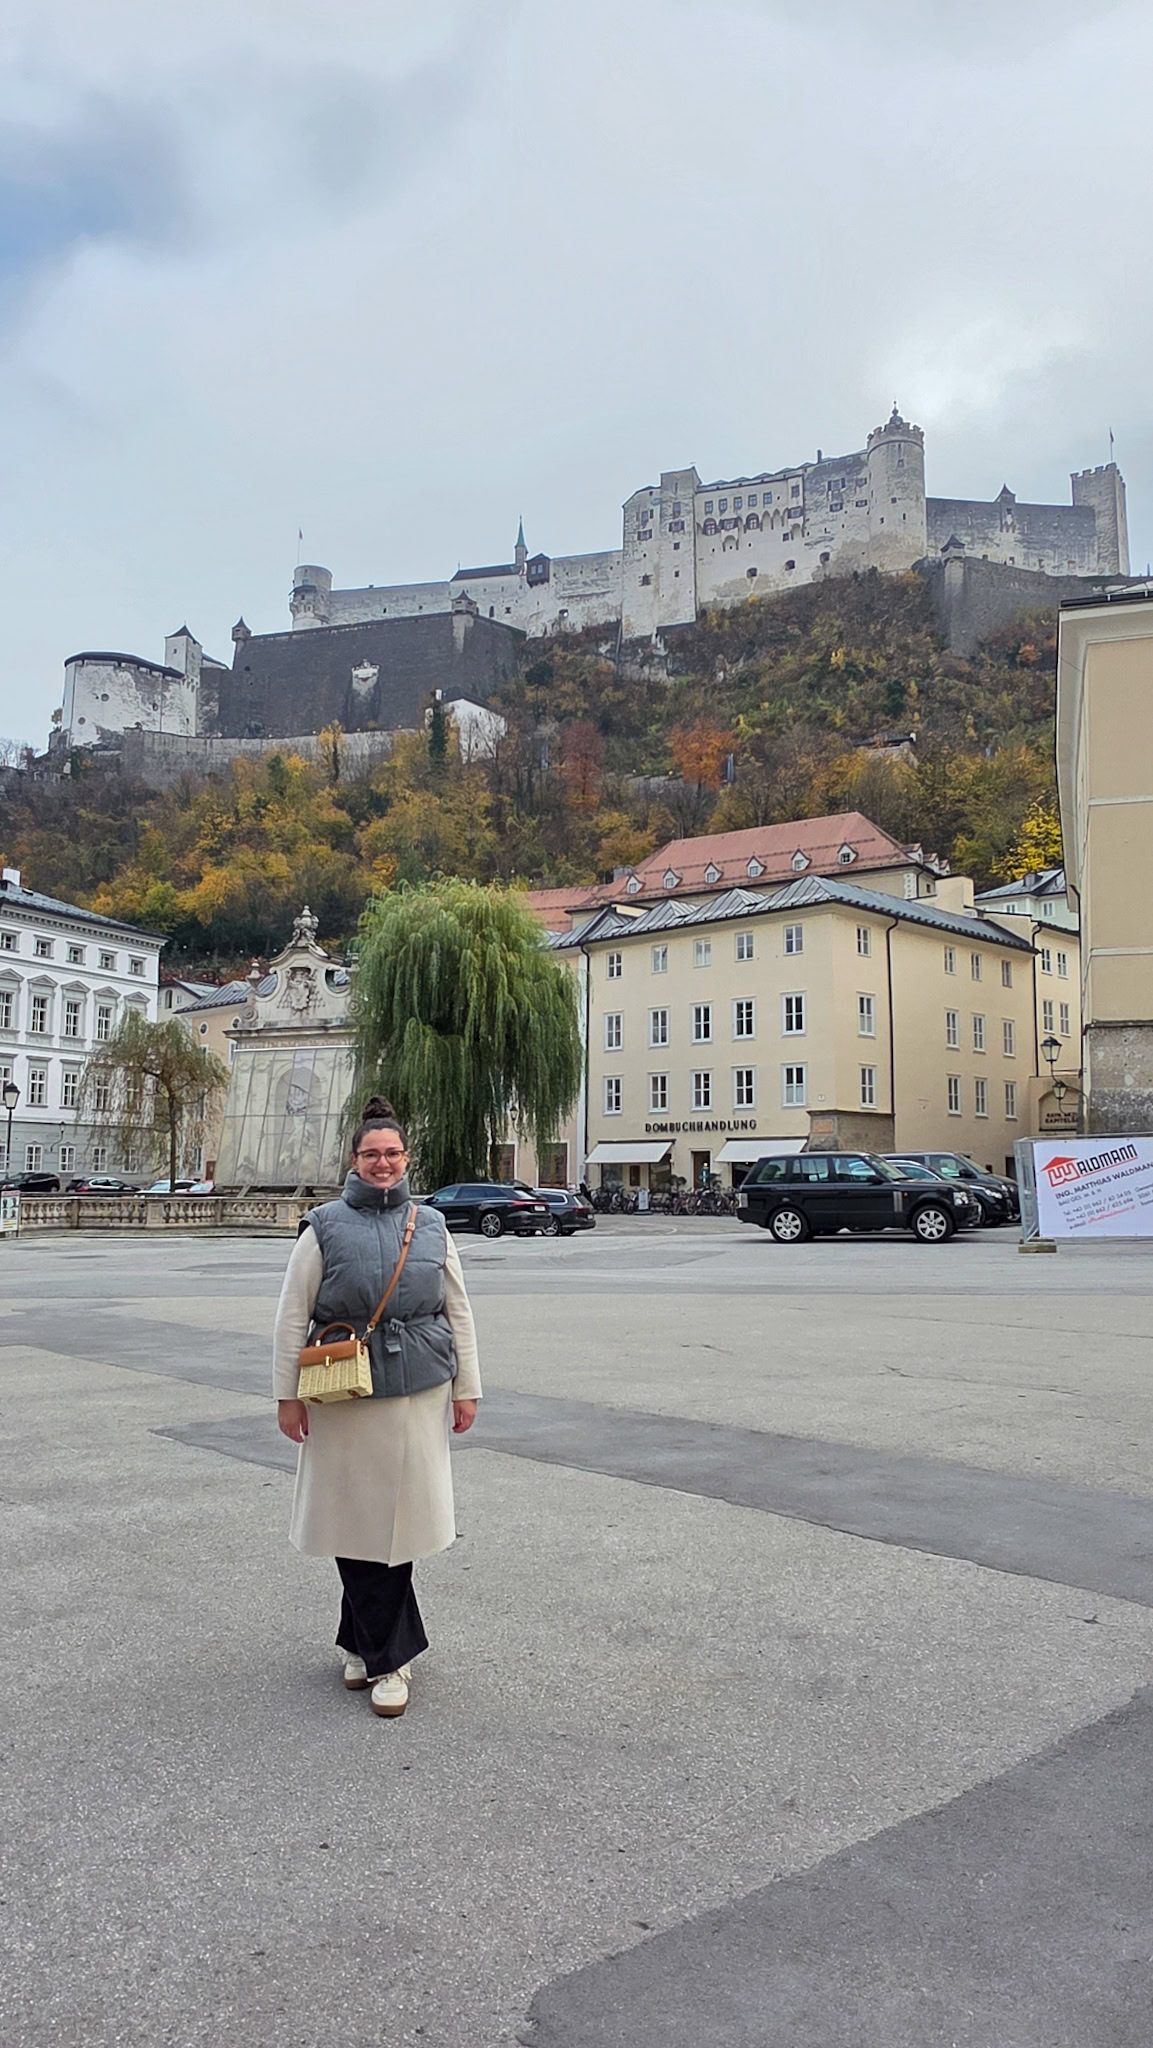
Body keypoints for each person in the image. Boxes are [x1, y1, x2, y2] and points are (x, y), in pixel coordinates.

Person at [273, 1097, 481, 1718]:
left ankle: (365, 1646)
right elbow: (291, 1315)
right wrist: (286, 1396)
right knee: (354, 1520)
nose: (383, 1163)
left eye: (392, 1153)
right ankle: (389, 1657)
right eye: (372, 1154)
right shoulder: (323, 1227)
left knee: (400, 1526)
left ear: (406, 1159)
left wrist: (468, 1386)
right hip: (344, 1391)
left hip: (417, 1391)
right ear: (354, 1161)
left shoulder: (433, 1226)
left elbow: (458, 1310)